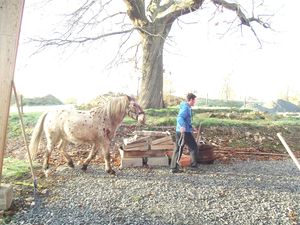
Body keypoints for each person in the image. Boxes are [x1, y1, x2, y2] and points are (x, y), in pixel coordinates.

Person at [170, 93, 198, 173]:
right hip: (184, 131)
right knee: (193, 147)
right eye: (194, 100)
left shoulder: (186, 107)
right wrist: (182, 126)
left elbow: (186, 119)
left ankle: (174, 167)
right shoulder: (186, 108)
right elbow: (180, 117)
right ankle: (193, 167)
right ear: (191, 100)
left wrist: (191, 126)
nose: (195, 102)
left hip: (183, 130)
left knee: (178, 148)